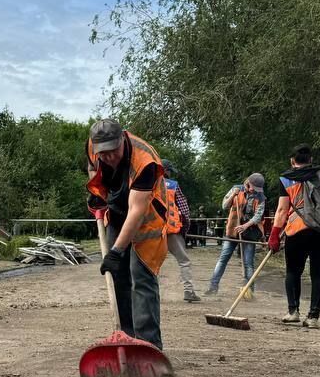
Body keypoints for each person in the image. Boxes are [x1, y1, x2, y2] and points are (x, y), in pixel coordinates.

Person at [87, 119, 169, 349]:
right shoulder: (93, 149)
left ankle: (148, 345)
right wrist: (97, 193)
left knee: (140, 275)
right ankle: (126, 337)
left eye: (114, 151)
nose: (110, 157)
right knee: (118, 275)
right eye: (104, 153)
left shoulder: (145, 161)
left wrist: (115, 252)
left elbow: (137, 211)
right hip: (117, 209)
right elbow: (92, 167)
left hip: (147, 215)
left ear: (123, 138)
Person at [268, 145, 320, 328]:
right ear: (311, 159)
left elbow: (282, 210)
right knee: (319, 274)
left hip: (299, 230)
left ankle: (293, 312)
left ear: (292, 161)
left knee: (293, 271)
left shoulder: (286, 179)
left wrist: (275, 234)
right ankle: (313, 317)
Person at [206, 173, 266, 297]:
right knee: (223, 259)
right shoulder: (235, 189)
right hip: (232, 231)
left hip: (249, 233)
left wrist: (245, 225)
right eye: (253, 187)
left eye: (257, 189)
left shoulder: (261, 197)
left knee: (248, 263)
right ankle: (213, 287)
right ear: (248, 183)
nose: (254, 190)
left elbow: (258, 216)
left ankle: (249, 292)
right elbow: (224, 206)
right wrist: (234, 195)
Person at [160, 160, 200, 303]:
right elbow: (184, 210)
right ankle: (188, 291)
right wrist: (185, 230)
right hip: (171, 230)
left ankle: (146, 293)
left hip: (152, 231)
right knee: (184, 261)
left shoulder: (145, 183)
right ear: (165, 171)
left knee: (150, 262)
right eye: (169, 171)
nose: (170, 174)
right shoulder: (173, 185)